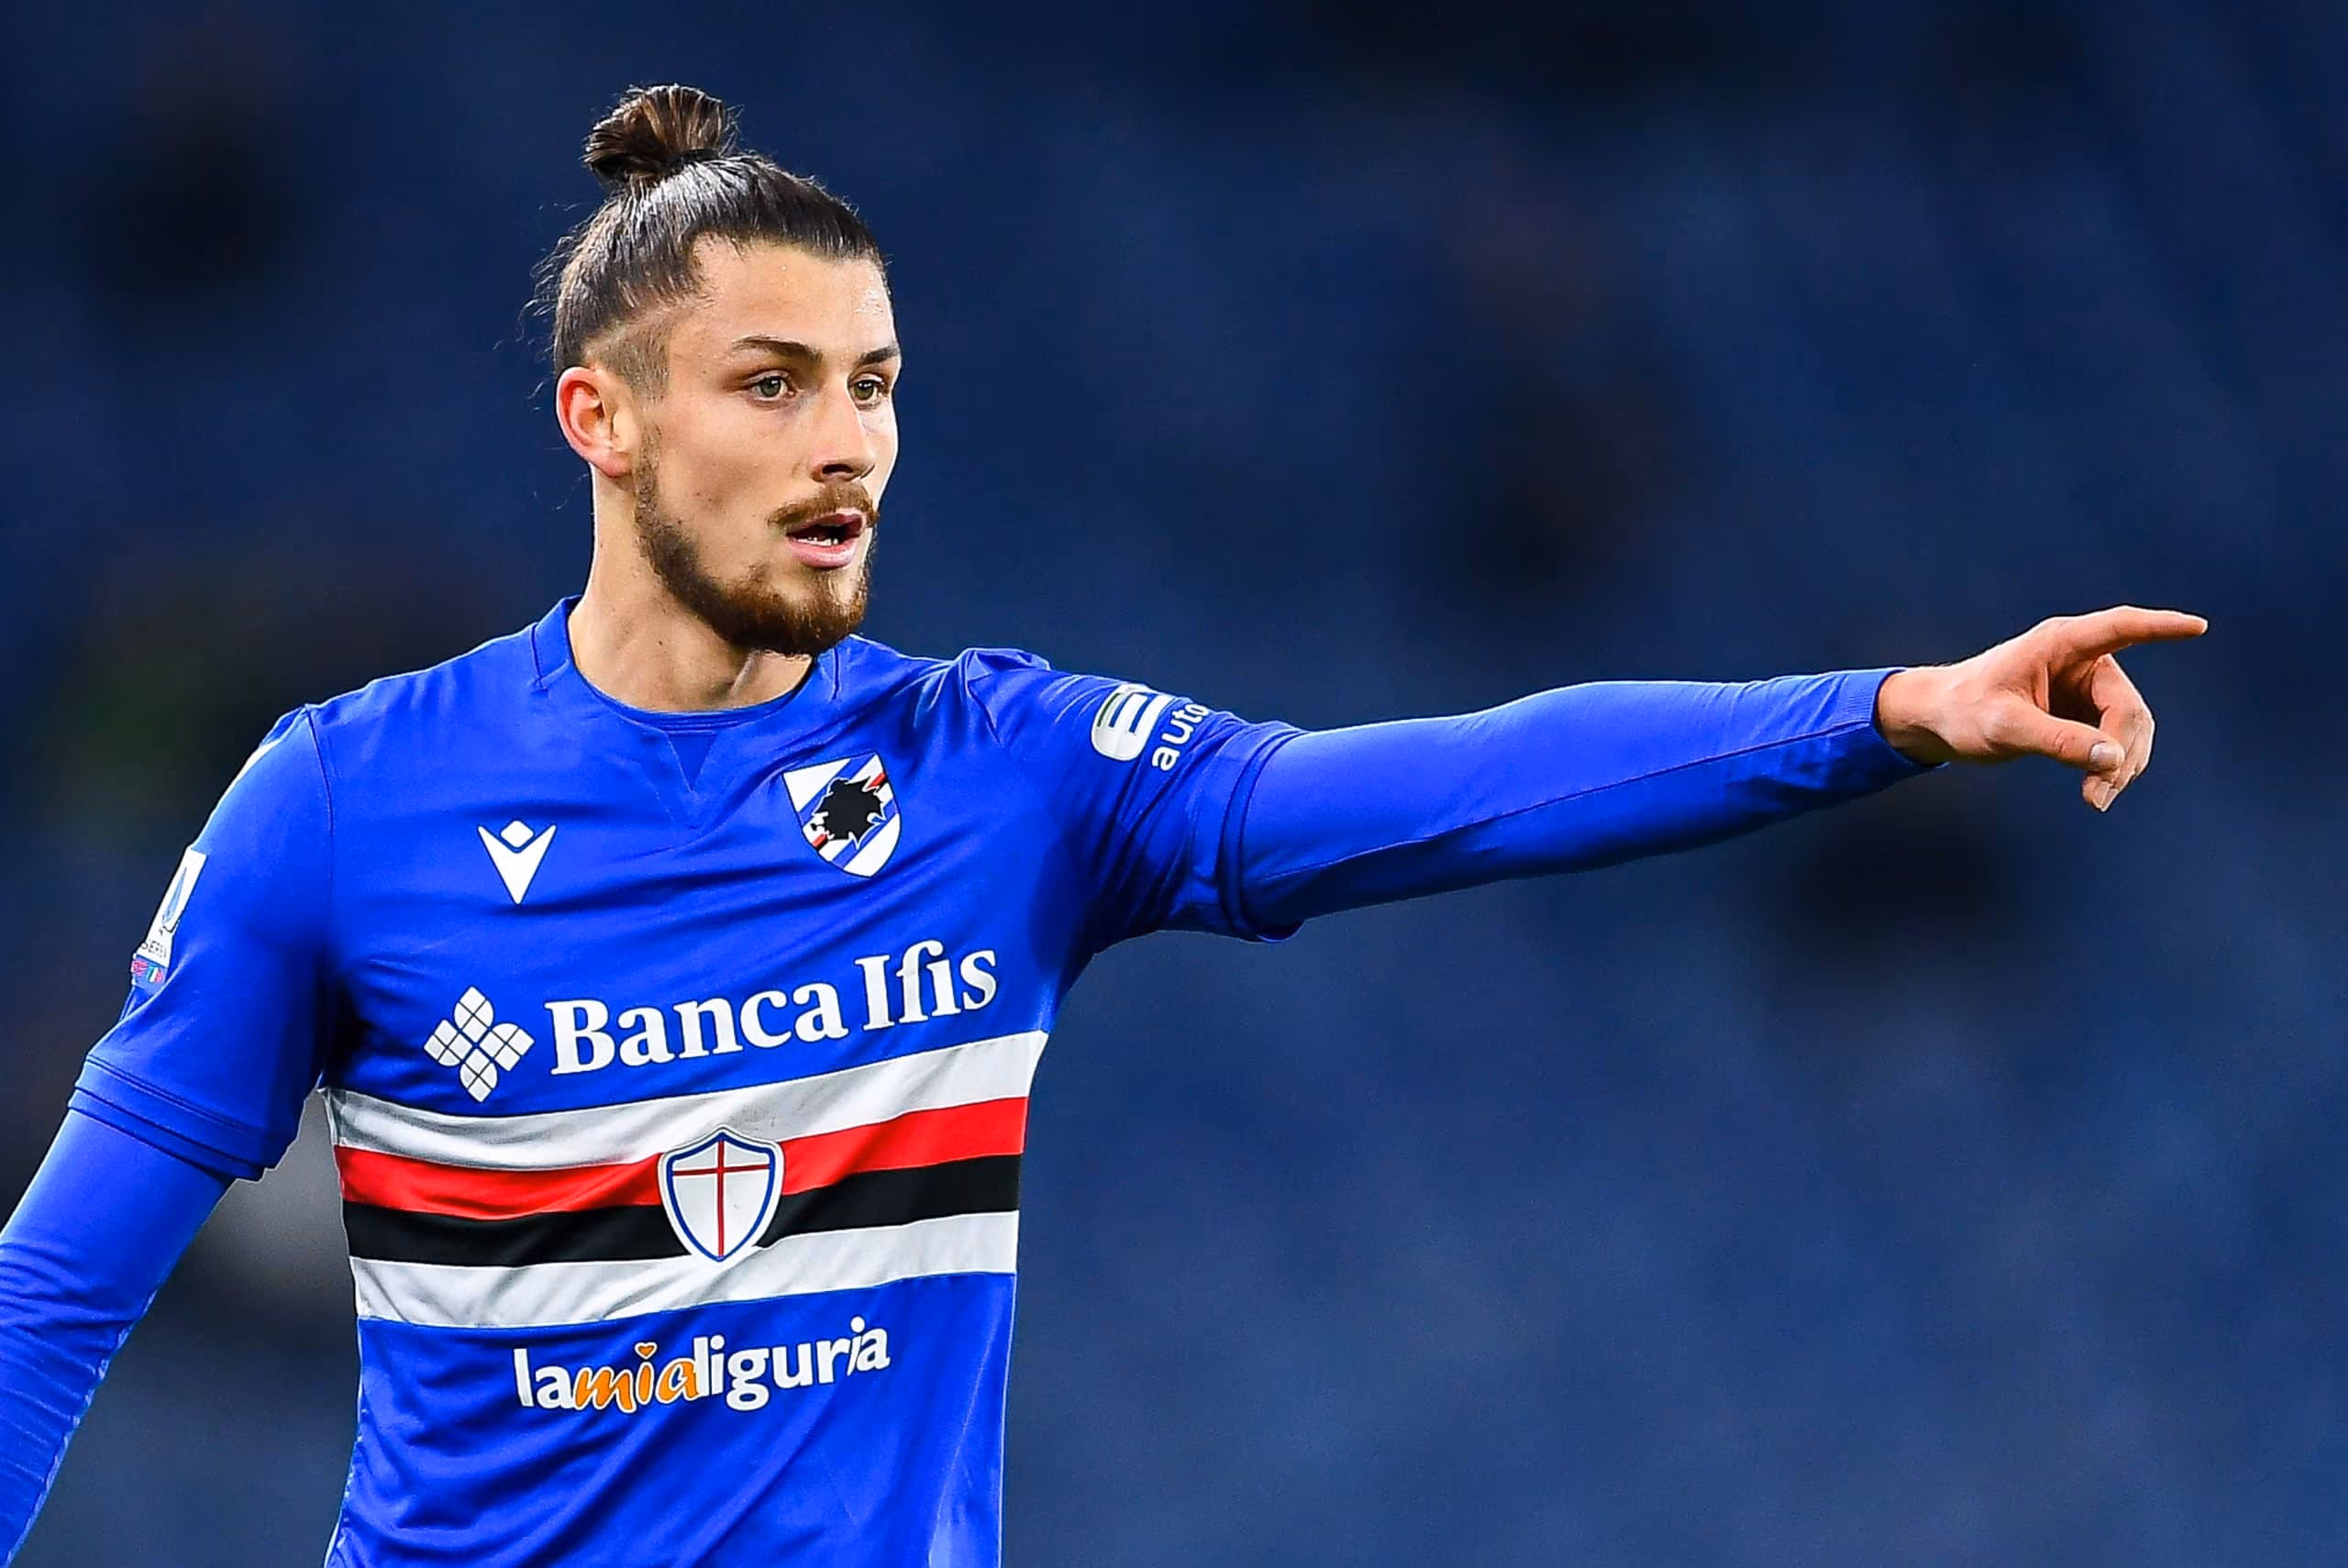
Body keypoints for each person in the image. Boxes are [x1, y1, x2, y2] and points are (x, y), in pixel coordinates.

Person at [0, 83, 2204, 1568]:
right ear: (604, 421)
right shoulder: (342, 799)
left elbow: (1444, 789)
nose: (844, 444)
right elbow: (58, 1293)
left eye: (872, 385)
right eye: (771, 385)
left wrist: (1880, 712)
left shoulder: (1000, 770)